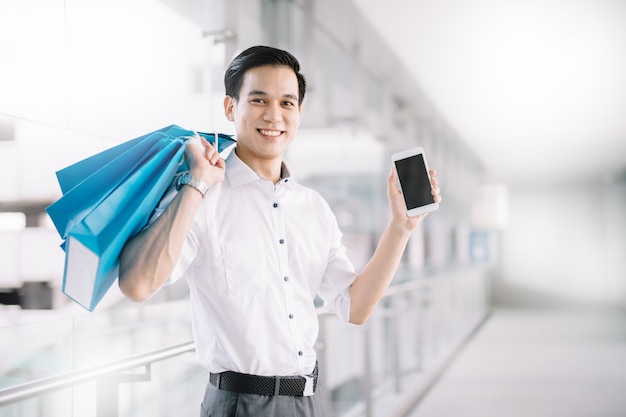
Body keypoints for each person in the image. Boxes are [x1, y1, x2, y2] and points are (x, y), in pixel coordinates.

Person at [118, 45, 441, 416]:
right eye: (259, 100)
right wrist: (196, 185)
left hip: (309, 401)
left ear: (299, 113)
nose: (274, 115)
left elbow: (356, 308)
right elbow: (137, 285)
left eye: (287, 103)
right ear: (230, 108)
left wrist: (400, 227)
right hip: (239, 404)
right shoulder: (203, 198)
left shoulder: (314, 208)